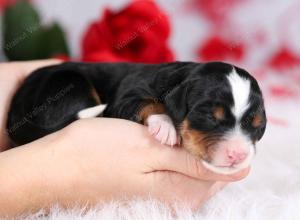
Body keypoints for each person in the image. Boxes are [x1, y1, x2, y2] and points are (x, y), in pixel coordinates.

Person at [0, 60, 250, 218]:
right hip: (59, 84)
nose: (238, 144)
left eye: (252, 127)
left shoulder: (182, 88)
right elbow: (127, 102)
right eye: (213, 120)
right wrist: (153, 114)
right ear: (180, 100)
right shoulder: (158, 87)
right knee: (72, 91)